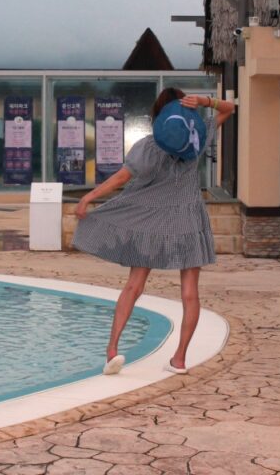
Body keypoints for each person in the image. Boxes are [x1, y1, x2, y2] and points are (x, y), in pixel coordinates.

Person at [72, 87, 234, 375]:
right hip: (188, 219)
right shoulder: (196, 139)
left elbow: (122, 177)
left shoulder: (149, 145)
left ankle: (112, 351)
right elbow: (229, 108)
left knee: (134, 285)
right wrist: (205, 101)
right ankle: (180, 359)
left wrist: (87, 198)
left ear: (158, 116)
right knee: (189, 293)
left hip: (151, 220)